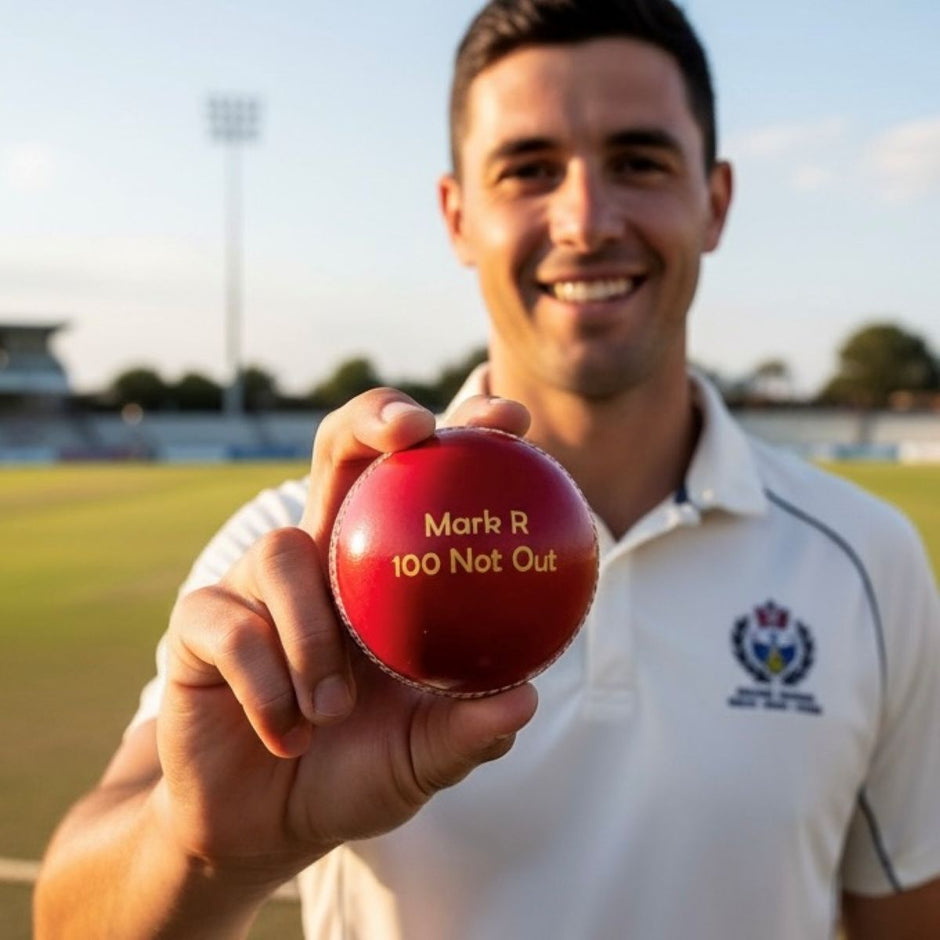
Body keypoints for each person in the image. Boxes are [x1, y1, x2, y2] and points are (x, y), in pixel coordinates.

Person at [35, 0, 940, 936]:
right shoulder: (297, 552)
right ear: (457, 215)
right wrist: (202, 848)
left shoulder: (866, 560)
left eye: (638, 161)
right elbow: (67, 922)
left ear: (715, 202)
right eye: (529, 170)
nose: (586, 220)